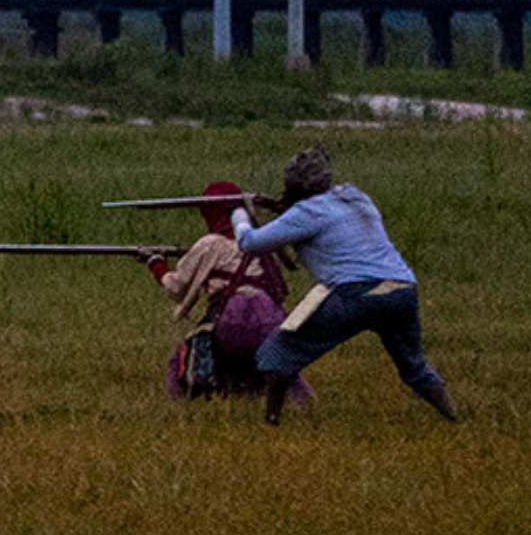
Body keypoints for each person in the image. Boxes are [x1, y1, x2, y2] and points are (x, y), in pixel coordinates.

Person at [236, 147, 457, 424]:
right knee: (414, 366)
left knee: (280, 351)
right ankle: (453, 418)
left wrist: (240, 215)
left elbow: (250, 243)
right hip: (402, 288)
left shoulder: (307, 211)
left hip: (356, 294)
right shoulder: (357, 198)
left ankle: (271, 422)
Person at [152, 180, 302, 404]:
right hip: (271, 322)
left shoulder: (210, 244)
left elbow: (176, 287)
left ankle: (184, 402)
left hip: (230, 322)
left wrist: (156, 264)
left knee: (185, 358)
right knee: (275, 364)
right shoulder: (261, 242)